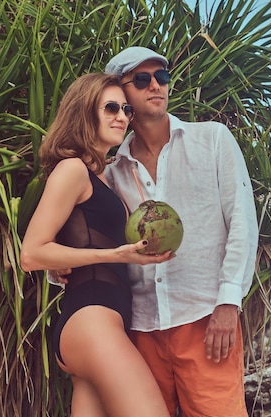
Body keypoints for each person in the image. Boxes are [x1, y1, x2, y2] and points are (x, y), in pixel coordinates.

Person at [104, 47, 259, 416]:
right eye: (141, 80)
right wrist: (61, 273)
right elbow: (95, 238)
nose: (155, 85)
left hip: (205, 320)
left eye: (162, 77)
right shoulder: (113, 173)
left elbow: (242, 220)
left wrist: (228, 302)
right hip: (140, 327)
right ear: (122, 94)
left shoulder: (213, 140)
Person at [19, 72, 173, 417]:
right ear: (84, 112)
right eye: (110, 108)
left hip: (99, 324)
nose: (122, 117)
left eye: (125, 110)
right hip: (91, 322)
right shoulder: (72, 170)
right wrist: (115, 255)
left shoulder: (103, 177)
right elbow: (31, 253)